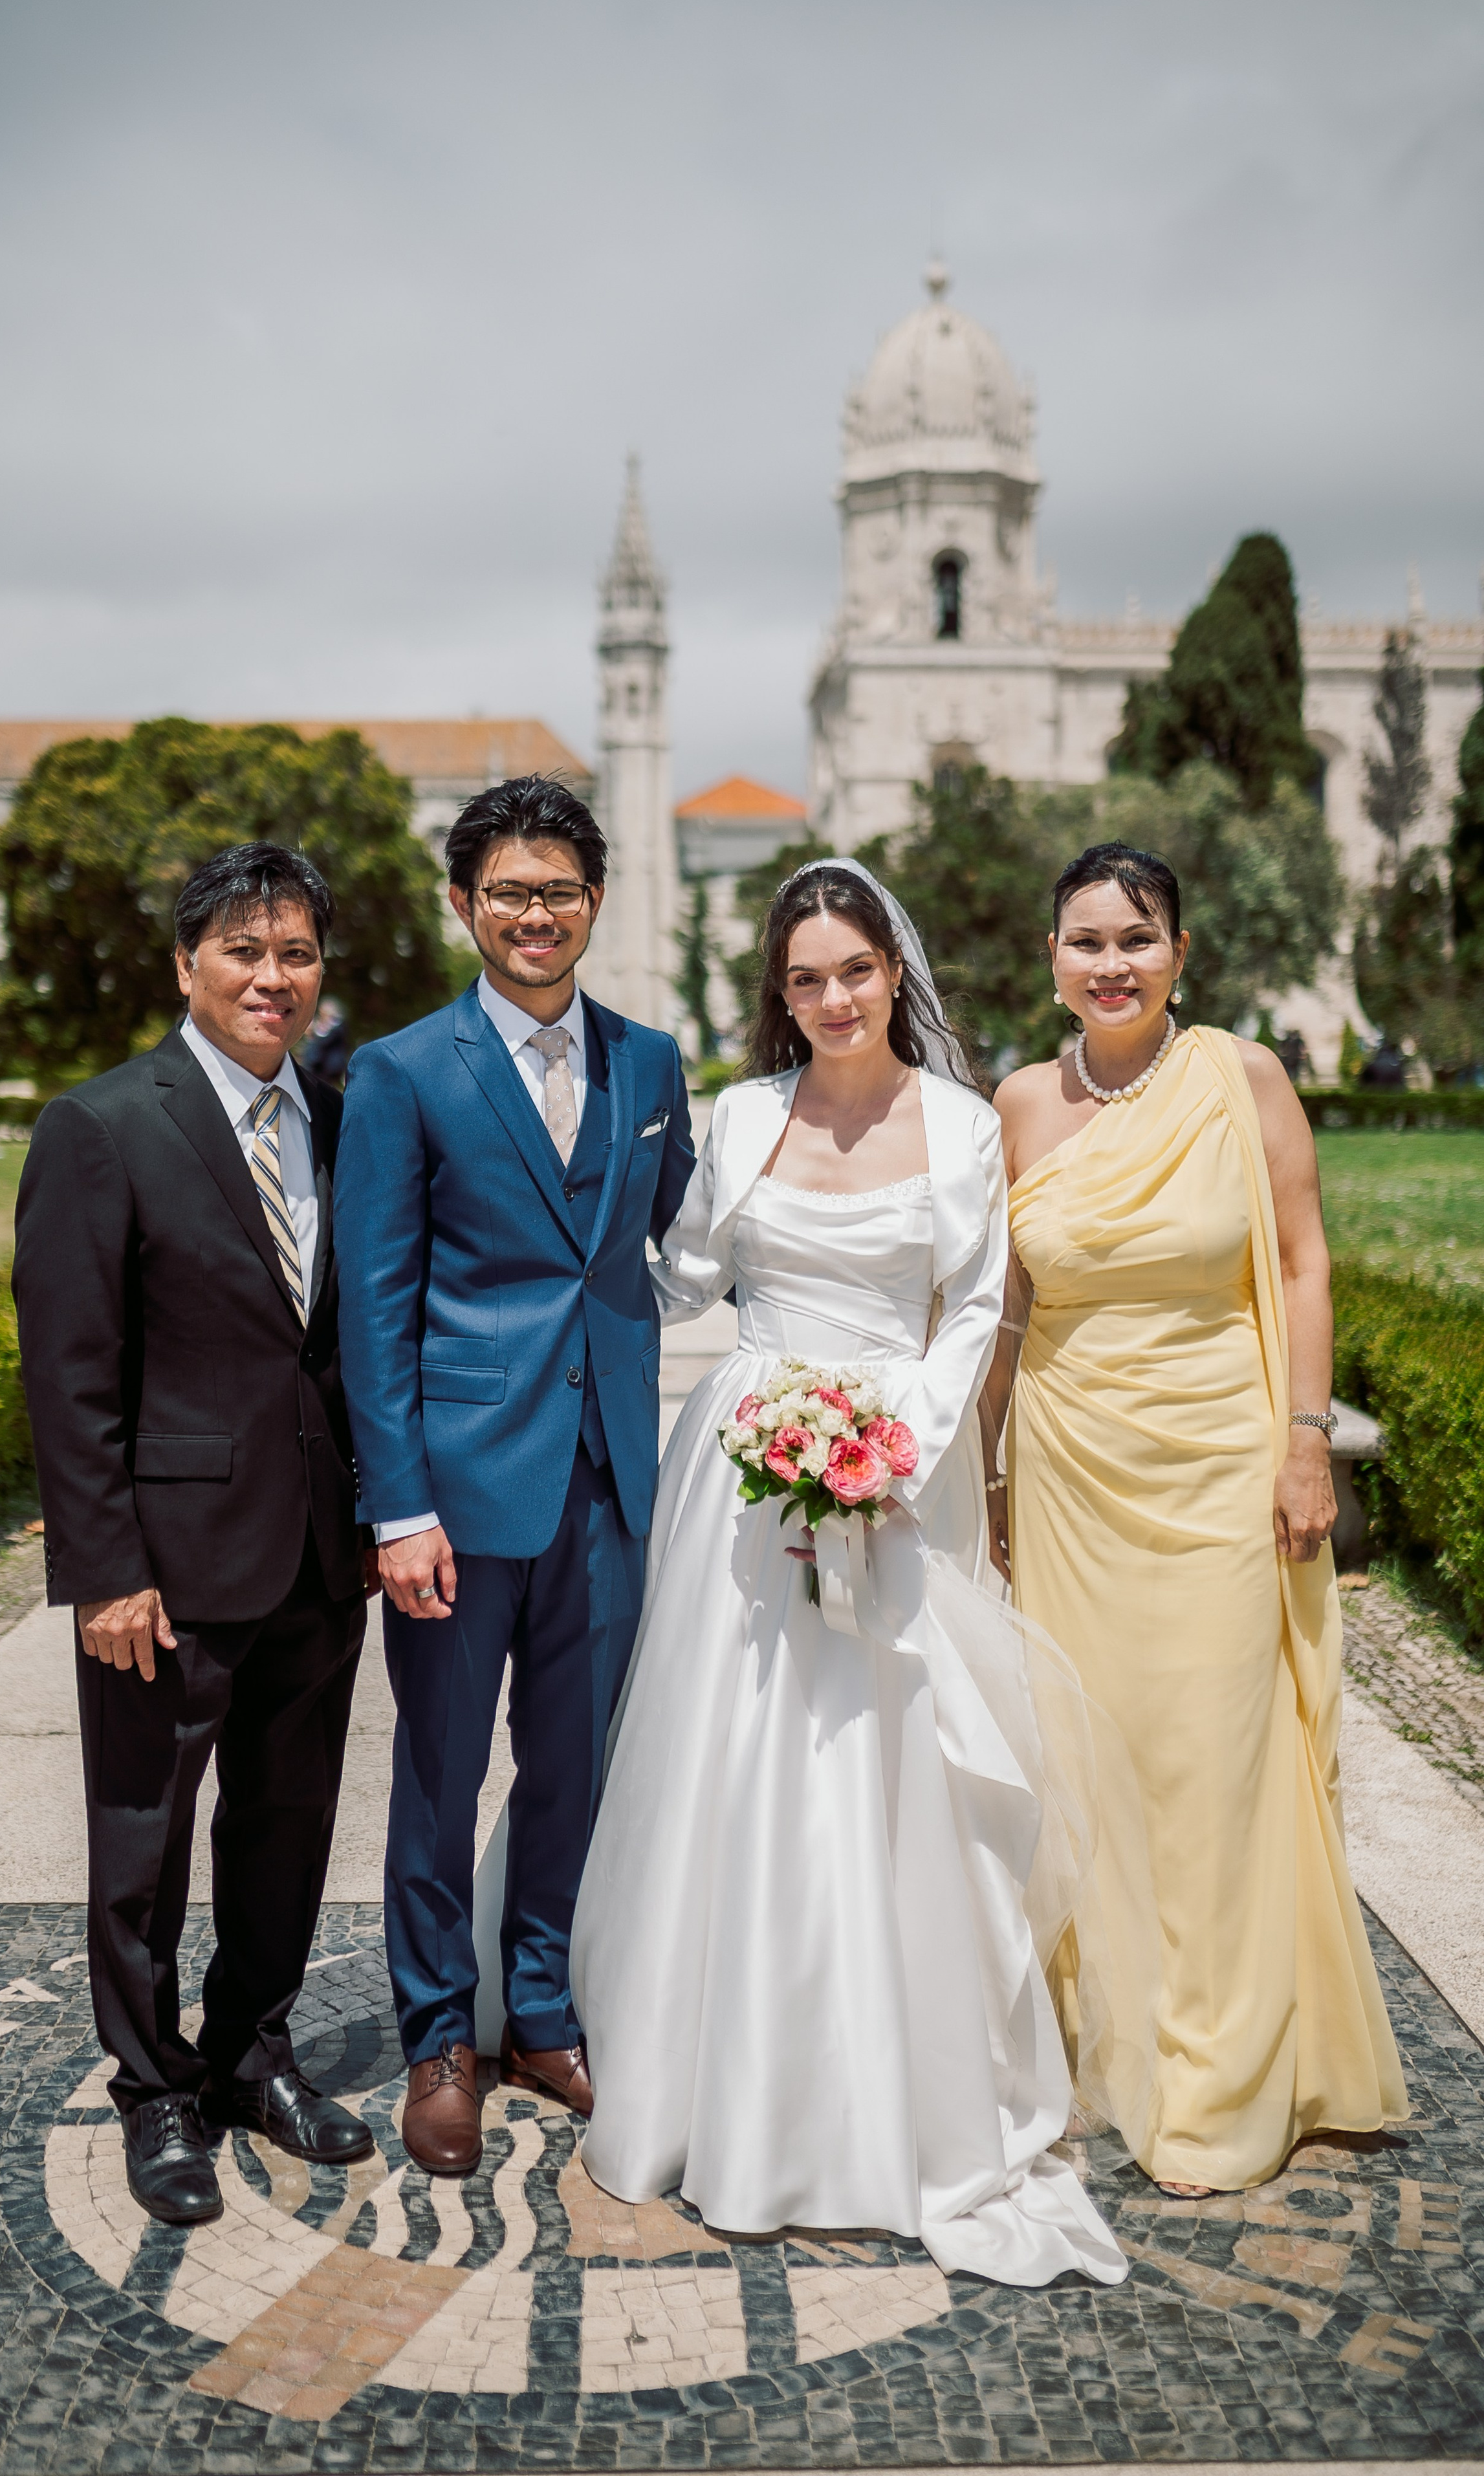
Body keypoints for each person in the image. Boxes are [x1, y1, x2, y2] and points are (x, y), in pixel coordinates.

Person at [571, 859, 1128, 2286]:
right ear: (781, 991)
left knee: (891, 1753)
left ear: (894, 974)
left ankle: (896, 2070)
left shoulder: (958, 1122)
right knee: (735, 1749)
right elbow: (687, 1273)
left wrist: (891, 1453)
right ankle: (713, 2067)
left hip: (895, 1460)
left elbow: (978, 1308)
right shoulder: (743, 1112)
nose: (833, 999)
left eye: (855, 971)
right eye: (806, 978)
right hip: (743, 1462)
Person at [990, 840, 1408, 2196]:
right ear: (1051, 958)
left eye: (1136, 938)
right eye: (1085, 940)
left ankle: (1221, 2073)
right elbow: (1003, 1311)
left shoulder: (1243, 1076)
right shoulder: (1017, 1103)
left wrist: (1304, 1440)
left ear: (1179, 952)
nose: (1110, 963)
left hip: (1223, 1460)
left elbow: (1299, 1259)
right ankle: (1108, 2038)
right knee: (1090, 1757)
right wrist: (983, 1479)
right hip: (1069, 1470)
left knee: (1213, 1760)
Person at [334, 772, 694, 2176]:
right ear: (463, 904)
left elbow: (691, 1240)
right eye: (508, 893)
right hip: (457, 1495)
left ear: (593, 902)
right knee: (439, 1773)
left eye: (557, 892)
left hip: (607, 1483)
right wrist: (398, 1505)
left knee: (574, 1766)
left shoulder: (650, 1064)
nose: (534, 915)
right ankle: (439, 2038)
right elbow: (376, 1307)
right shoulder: (403, 1072)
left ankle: (541, 2009)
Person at [13, 843, 374, 2228]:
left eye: (296, 954)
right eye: (243, 951)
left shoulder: (340, 1120)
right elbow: (70, 1373)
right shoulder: (101, 1125)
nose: (272, 978)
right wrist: (104, 1569)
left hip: (316, 1554)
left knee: (287, 1821)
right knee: (142, 1837)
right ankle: (154, 2086)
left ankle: (251, 2052)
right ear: (187, 964)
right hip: (163, 1569)